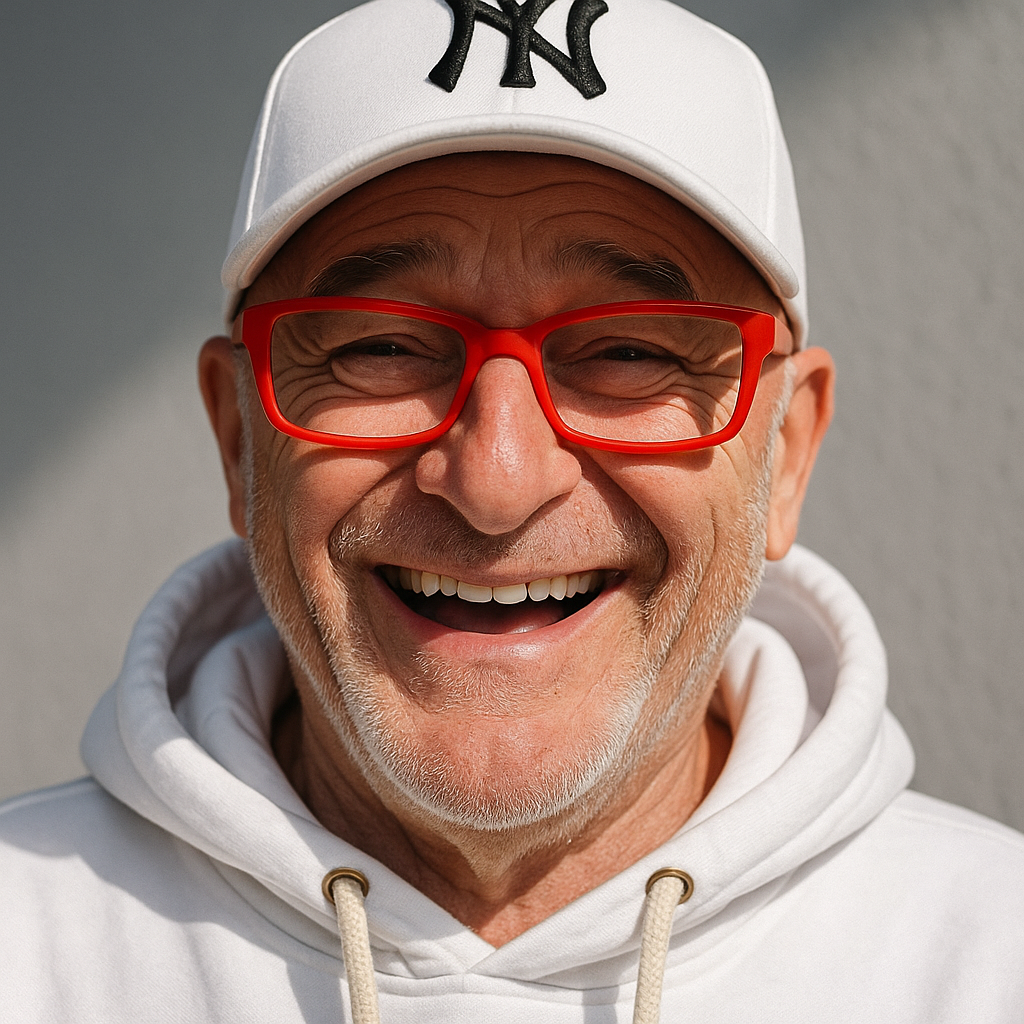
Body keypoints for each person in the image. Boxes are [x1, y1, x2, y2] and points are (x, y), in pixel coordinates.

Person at [2, 0, 1022, 1020]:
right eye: (381, 347)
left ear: (785, 455)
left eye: (629, 351)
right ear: (239, 442)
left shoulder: (988, 961)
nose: (496, 483)